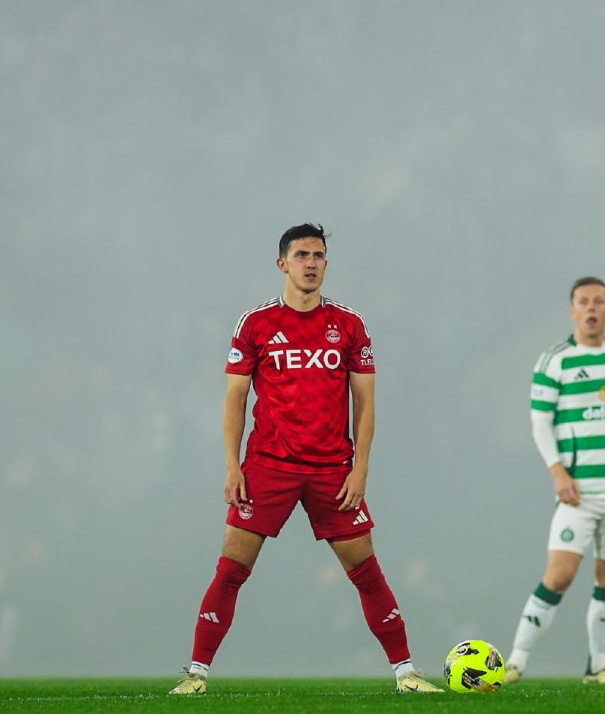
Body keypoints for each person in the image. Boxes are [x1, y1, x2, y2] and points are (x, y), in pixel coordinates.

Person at [169, 223, 442, 694]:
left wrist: (361, 468)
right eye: (301, 255)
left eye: (318, 255)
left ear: (326, 264)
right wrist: (233, 465)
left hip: (332, 470)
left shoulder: (350, 325)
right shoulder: (255, 324)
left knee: (366, 571)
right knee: (232, 568)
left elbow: (366, 402)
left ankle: (406, 674)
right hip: (268, 466)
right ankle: (196, 674)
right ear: (282, 264)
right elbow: (234, 399)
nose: (311, 263)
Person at [504, 276, 605, 685]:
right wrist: (558, 471)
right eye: (583, 302)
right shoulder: (555, 361)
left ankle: (599, 666)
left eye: (599, 302)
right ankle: (516, 661)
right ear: (572, 311)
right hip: (580, 492)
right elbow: (539, 422)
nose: (591, 308)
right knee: (559, 575)